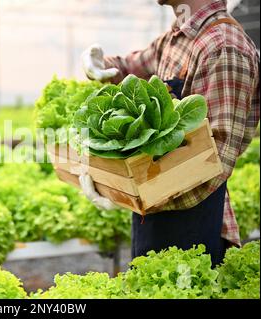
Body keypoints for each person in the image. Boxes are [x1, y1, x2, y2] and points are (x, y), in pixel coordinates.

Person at [80, 0, 259, 266]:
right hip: (154, 214)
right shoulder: (179, 36)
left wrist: (125, 190)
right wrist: (100, 65)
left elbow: (211, 166)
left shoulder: (224, 47)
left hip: (194, 226)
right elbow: (132, 66)